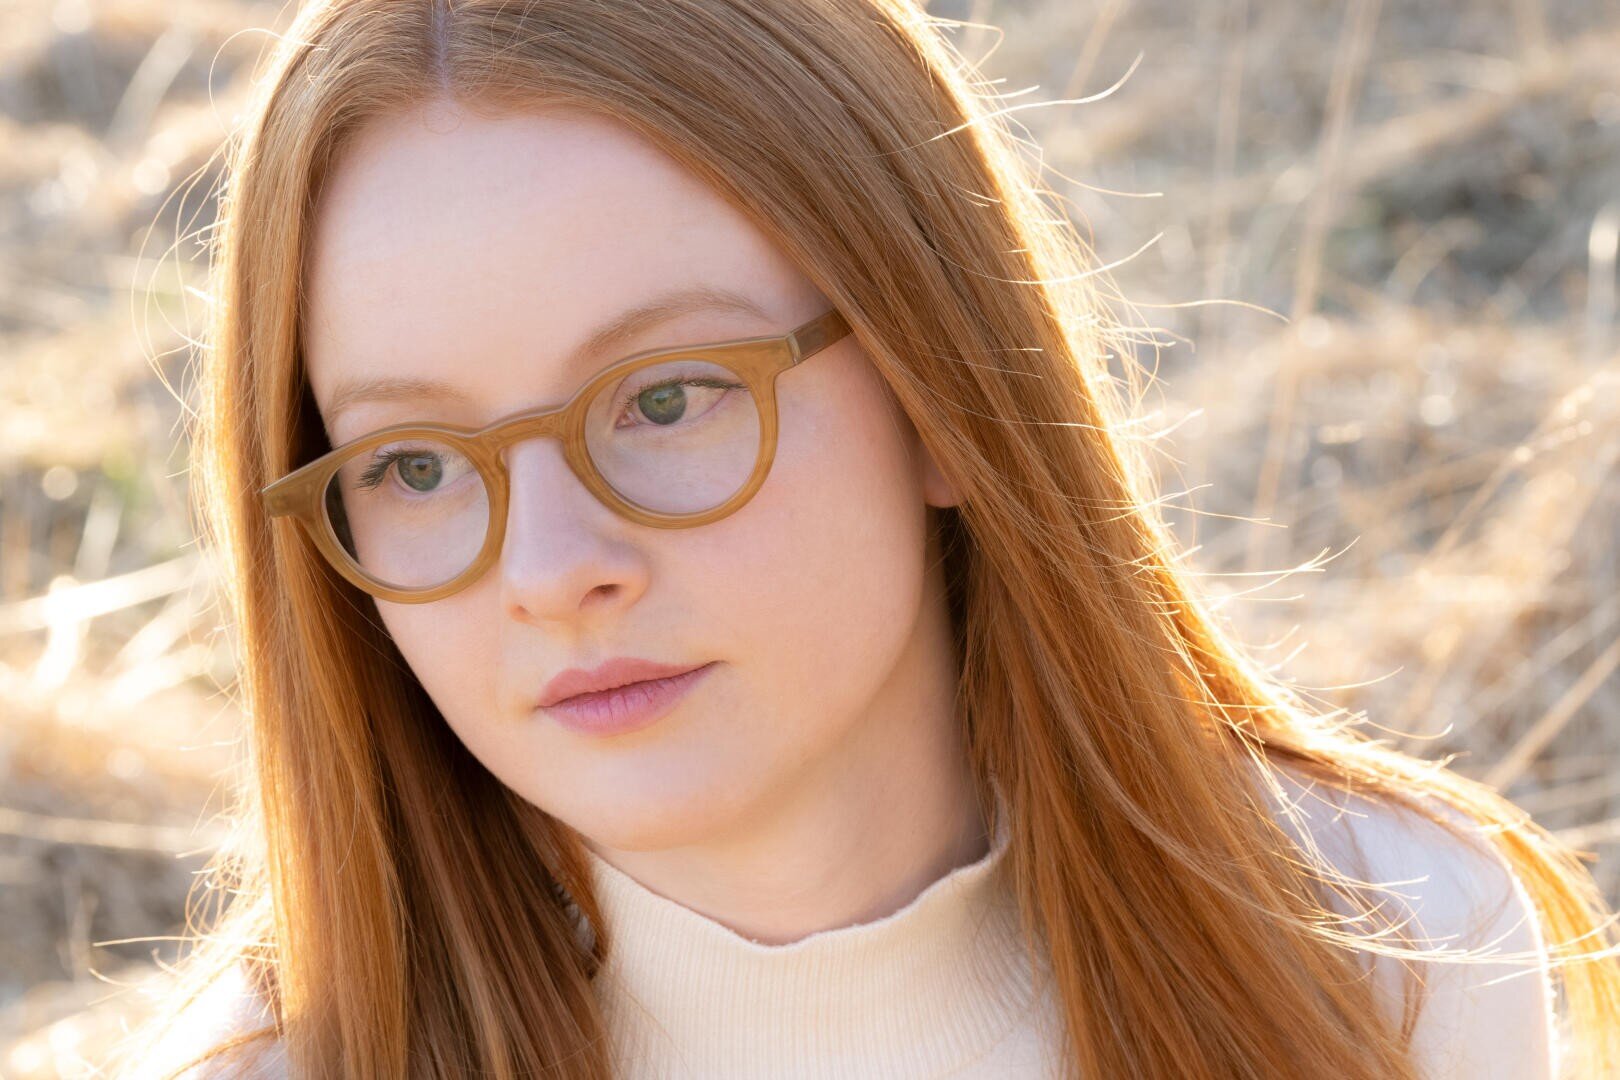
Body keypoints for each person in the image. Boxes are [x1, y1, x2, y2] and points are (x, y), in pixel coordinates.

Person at [110, 1, 1619, 1077]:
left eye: (669, 395)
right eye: (416, 463)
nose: (552, 567)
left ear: (946, 395)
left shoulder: (1390, 947)